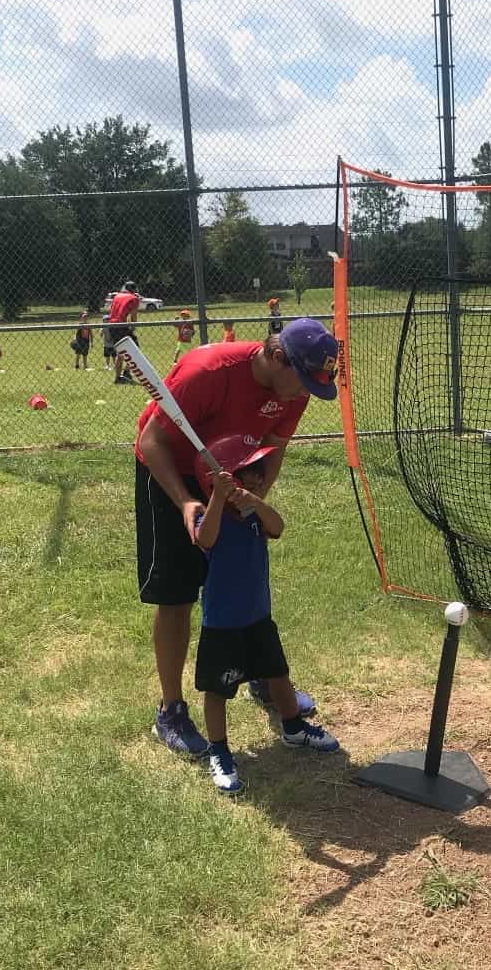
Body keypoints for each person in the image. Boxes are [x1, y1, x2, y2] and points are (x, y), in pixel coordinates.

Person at [135, 317, 340, 758]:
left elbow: (274, 448)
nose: (304, 393)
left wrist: (253, 496)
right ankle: (170, 709)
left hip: (237, 476)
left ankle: (261, 676)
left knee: (243, 584)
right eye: (301, 381)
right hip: (175, 472)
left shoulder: (294, 390)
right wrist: (187, 503)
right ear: (277, 357)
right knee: (177, 593)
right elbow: (152, 441)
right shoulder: (207, 372)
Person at [192, 435, 339, 794]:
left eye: (259, 472)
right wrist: (216, 497)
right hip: (222, 624)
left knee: (278, 673)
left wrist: (253, 500)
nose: (258, 478)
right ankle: (220, 750)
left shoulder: (253, 514)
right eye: (249, 473)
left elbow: (278, 527)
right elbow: (205, 539)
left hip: (258, 616)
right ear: (219, 480)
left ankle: (293, 728)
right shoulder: (204, 513)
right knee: (217, 690)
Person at [109, 281, 141, 384]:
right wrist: (133, 327)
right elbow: (133, 316)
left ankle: (118, 377)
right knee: (135, 350)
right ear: (134, 289)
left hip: (111, 326)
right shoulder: (134, 298)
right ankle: (126, 372)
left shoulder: (117, 296)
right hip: (121, 326)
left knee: (121, 352)